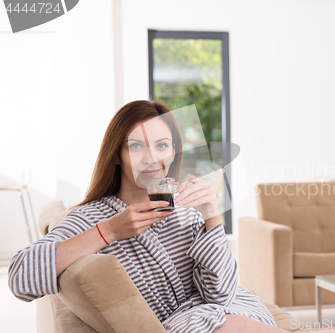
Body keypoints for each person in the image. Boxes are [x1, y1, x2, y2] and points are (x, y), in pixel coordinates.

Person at [8, 100, 288, 333]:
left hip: (231, 314)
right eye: (136, 146)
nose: (152, 158)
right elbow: (20, 277)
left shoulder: (186, 211)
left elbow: (221, 295)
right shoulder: (92, 216)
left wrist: (212, 216)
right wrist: (110, 231)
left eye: (162, 145)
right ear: (116, 155)